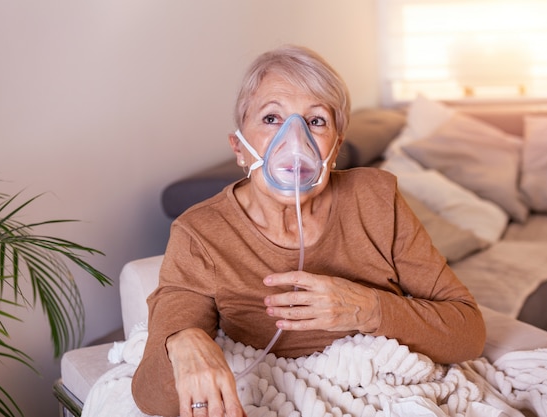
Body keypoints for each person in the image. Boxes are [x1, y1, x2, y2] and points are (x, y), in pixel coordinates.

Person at [132, 45, 486, 417]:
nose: (294, 140)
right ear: (239, 148)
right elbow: (153, 397)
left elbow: (469, 332)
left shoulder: (377, 199)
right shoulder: (201, 233)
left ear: (335, 149)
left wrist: (367, 308)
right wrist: (183, 341)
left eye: (316, 121)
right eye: (271, 118)